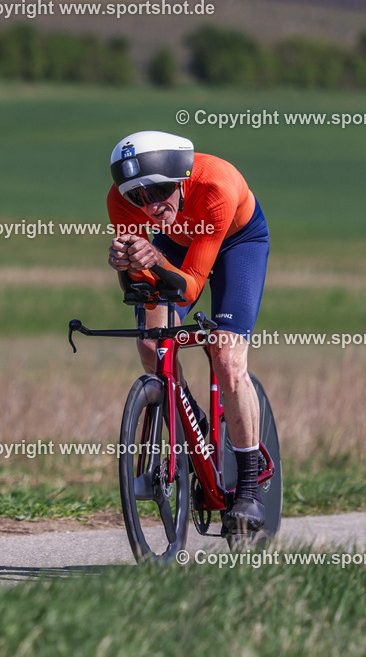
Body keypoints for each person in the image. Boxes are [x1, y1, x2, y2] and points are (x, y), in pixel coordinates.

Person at [106, 130, 269, 533]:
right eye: (137, 199)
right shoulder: (120, 200)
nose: (149, 207)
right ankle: (190, 419)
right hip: (176, 246)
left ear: (180, 178)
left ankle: (248, 485)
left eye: (159, 192)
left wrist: (152, 259)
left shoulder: (214, 185)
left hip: (235, 242)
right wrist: (129, 265)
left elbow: (192, 284)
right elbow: (144, 280)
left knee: (227, 358)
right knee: (151, 345)